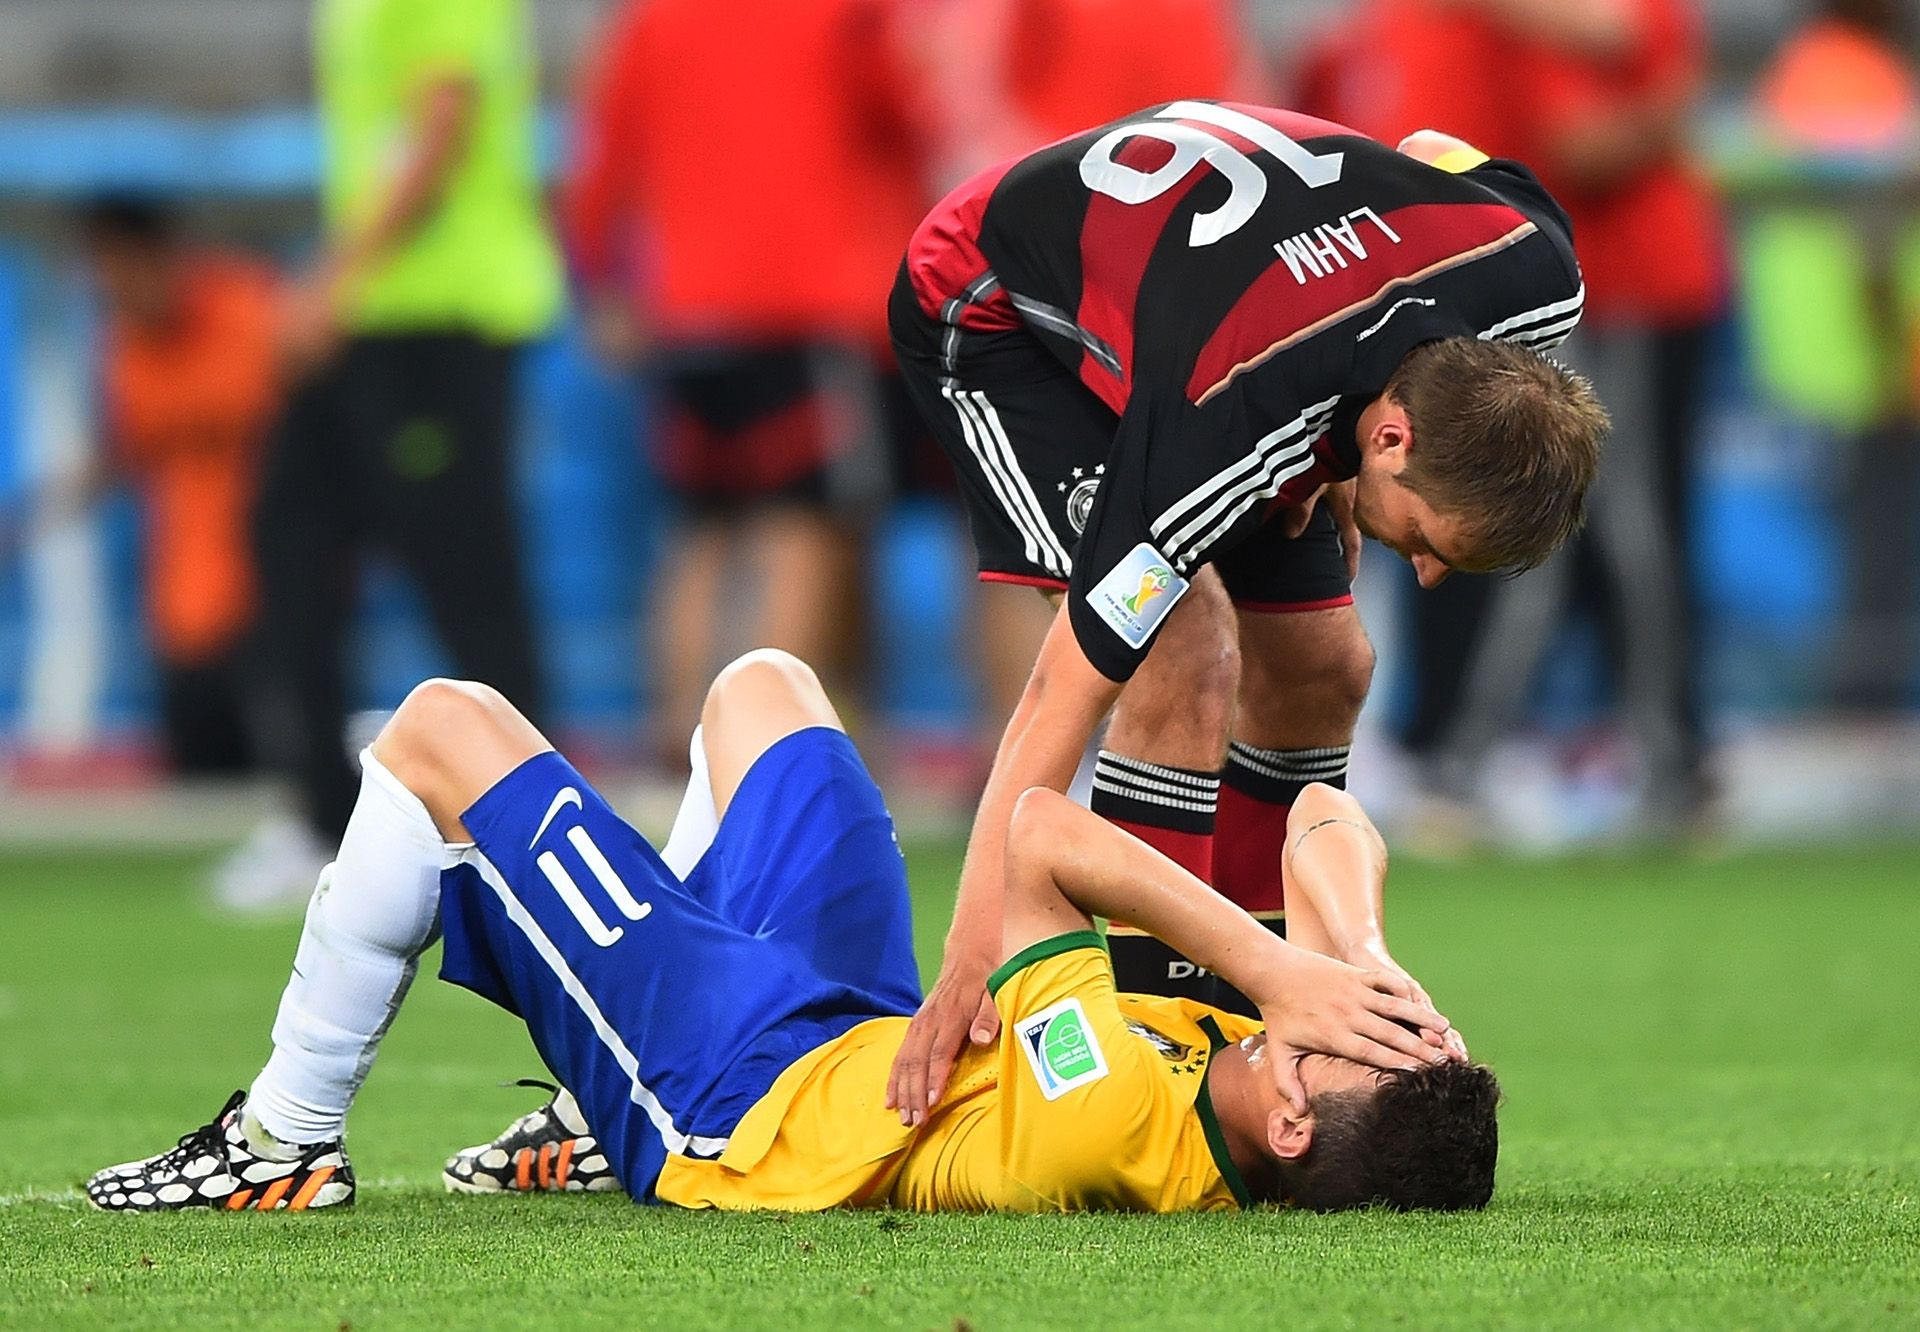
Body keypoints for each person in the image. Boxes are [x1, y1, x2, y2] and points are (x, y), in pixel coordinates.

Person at [83, 649, 1488, 1216]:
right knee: (768, 693)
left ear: (1296, 1124)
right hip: (865, 1032)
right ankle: (583, 1096)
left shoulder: (1112, 1112)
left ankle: (280, 1143)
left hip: (738, 1101)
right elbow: (1317, 813)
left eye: (1359, 1042)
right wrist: (1356, 957)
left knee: (440, 729)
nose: (1343, 1019)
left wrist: (1267, 965)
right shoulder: (1280, 1065)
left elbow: (1037, 835)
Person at [884, 100, 1607, 1106]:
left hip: (1235, 302)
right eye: (1433, 546)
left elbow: (1434, 153)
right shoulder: (1231, 416)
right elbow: (1064, 688)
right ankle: (1163, 1043)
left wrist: (1344, 477)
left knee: (1329, 664)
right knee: (1184, 649)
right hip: (998, 301)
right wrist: (969, 957)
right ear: (1392, 437)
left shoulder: (1535, 270)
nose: (1427, 576)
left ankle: (1261, 1010)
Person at [230, 0, 562, 908]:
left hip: (437, 325)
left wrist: (330, 281)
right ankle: (326, 824)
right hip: (375, 325)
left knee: (466, 581)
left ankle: (534, 842)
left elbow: (440, 124)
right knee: (286, 541)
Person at [562, 0, 935, 763]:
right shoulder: (843, 14)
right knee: (803, 527)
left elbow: (601, 158)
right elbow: (907, 121)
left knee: (701, 531)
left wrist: (602, 284)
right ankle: (765, 750)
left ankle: (677, 742)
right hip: (806, 305)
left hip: (689, 311)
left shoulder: (653, 19)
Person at [2, 198, 278, 775]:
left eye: (115, 265)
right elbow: (127, 450)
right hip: (186, 600)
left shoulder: (249, 309)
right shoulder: (125, 343)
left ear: (161, 255)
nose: (108, 285)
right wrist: (31, 519)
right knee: (201, 769)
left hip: (275, 587)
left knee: (282, 771)